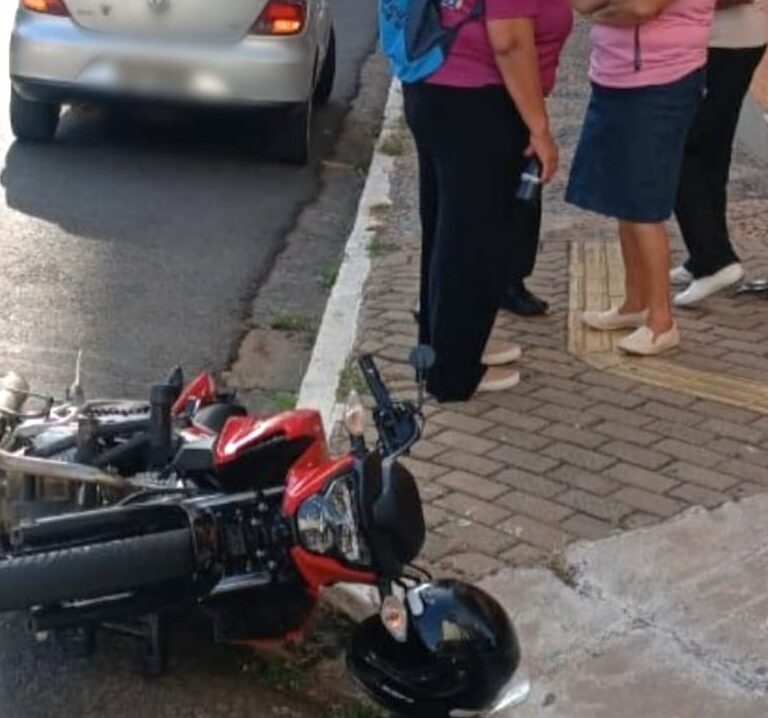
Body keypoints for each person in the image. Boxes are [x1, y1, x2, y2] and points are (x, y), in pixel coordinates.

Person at [403, 0, 570, 402]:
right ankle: (454, 373)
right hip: (478, 101)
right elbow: (509, 40)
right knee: (473, 242)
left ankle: (442, 351)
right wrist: (540, 129)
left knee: (447, 230)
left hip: (438, 87)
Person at [567, 0, 715, 356]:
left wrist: (599, 12)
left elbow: (641, 8)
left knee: (644, 204)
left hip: (661, 80)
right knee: (625, 198)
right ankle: (635, 304)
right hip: (614, 75)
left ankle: (661, 323)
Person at [672, 0, 767, 307]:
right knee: (710, 151)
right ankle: (707, 254)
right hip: (720, 40)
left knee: (688, 151)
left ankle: (714, 260)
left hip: (727, 43)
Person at [502, 3, 575, 318]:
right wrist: (539, 128)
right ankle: (489, 288)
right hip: (498, 97)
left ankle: (509, 279)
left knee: (523, 190)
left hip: (517, 98)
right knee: (496, 200)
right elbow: (509, 42)